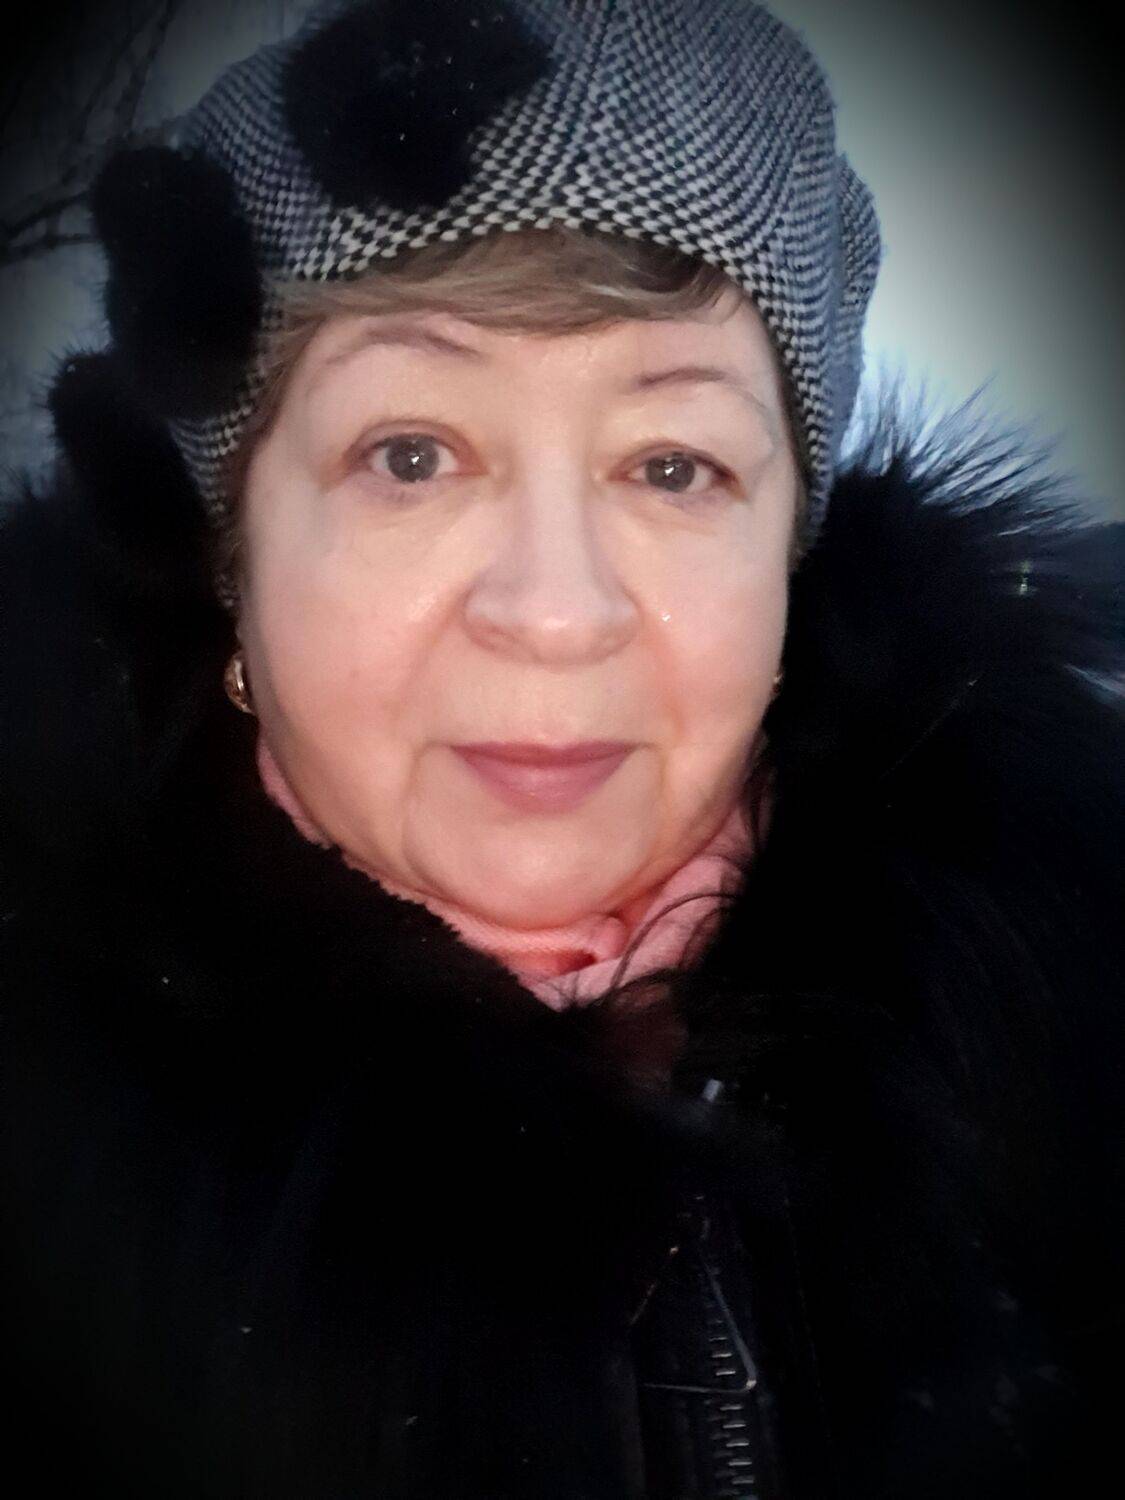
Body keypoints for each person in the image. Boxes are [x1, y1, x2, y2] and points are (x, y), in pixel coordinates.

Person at [1, 1, 1120, 1495]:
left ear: (788, 556)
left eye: (671, 465)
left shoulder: (1070, 1047)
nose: (554, 612)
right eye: (411, 455)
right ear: (233, 560)